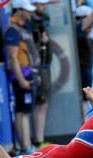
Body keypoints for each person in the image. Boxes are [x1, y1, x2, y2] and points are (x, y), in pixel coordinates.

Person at [5, 0, 39, 153]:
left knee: (26, 111)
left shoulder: (23, 27)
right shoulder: (12, 30)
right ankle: (26, 147)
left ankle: (27, 145)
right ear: (18, 10)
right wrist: (21, 79)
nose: (30, 12)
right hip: (21, 76)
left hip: (27, 73)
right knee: (22, 111)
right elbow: (13, 58)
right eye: (27, 10)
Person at [31, 0, 53, 147]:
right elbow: (31, 48)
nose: (43, 7)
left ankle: (40, 138)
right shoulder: (31, 26)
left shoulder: (42, 21)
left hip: (45, 65)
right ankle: (37, 140)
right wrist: (42, 42)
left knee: (43, 104)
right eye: (41, 5)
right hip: (37, 67)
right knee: (40, 103)